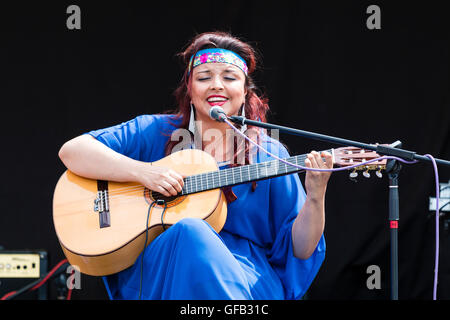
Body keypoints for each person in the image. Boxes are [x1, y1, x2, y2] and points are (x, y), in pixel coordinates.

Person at [58, 31, 333, 300]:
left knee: (193, 231)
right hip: (163, 272)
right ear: (189, 89)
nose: (216, 85)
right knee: (190, 231)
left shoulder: (268, 152)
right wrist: (144, 173)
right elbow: (73, 151)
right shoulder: (156, 131)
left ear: (245, 90)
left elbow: (301, 249)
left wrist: (316, 196)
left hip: (245, 278)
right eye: (204, 77)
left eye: (229, 77)